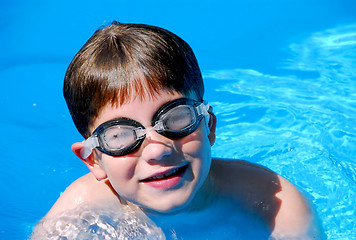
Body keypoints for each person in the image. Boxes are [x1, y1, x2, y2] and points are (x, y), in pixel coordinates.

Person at [34, 21, 323, 239]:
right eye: (120, 135)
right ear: (94, 160)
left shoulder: (275, 205)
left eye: (176, 119)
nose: (158, 150)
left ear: (208, 126)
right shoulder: (76, 217)